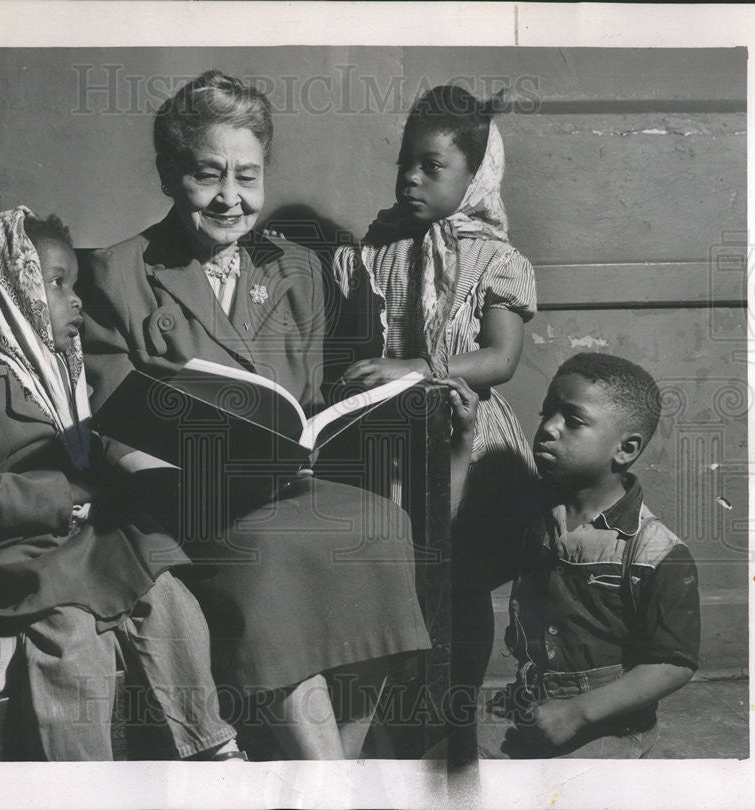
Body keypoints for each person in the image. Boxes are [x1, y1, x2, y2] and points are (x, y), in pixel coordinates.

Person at [80, 70, 431, 759]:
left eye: (248, 175)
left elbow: (304, 401)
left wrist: (370, 399)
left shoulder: (295, 269)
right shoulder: (118, 274)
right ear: (168, 174)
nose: (230, 198)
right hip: (184, 503)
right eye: (209, 176)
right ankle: (326, 780)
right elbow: (109, 419)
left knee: (382, 523)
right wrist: (175, 472)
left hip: (282, 485)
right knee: (274, 555)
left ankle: (336, 772)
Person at [0, 206, 245, 762]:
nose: (76, 299)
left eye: (73, 285)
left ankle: (208, 744)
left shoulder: (62, 374)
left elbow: (94, 448)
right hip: (5, 551)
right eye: (57, 284)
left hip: (73, 538)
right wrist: (72, 494)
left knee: (166, 589)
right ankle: (81, 784)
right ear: (5, 296)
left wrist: (139, 466)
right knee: (71, 634)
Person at [329, 84, 539, 756]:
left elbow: (500, 359)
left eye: (433, 166)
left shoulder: (494, 259)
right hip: (386, 439)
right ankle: (394, 717)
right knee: (395, 577)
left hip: (463, 436)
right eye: (406, 163)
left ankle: (454, 716)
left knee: (460, 579)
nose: (412, 178)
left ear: (474, 176)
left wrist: (418, 367)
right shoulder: (380, 247)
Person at [443, 353, 701, 758]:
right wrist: (462, 441)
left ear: (626, 449)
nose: (547, 428)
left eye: (572, 421)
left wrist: (579, 712)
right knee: (440, 761)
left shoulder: (656, 550)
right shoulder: (532, 515)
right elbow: (456, 553)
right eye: (547, 413)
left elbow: (673, 663)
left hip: (609, 726)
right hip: (529, 707)